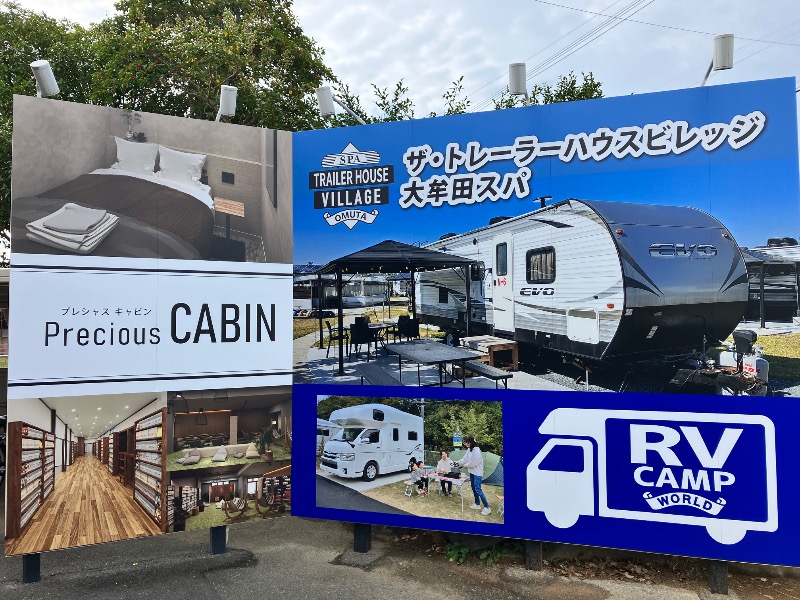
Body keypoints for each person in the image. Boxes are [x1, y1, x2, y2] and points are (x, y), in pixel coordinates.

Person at [457, 436, 491, 516]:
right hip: (472, 472)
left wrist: (465, 465)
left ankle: (487, 507)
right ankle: (477, 504)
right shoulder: (469, 450)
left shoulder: (477, 451)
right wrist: (458, 462)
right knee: (473, 488)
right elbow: (464, 459)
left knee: (478, 489)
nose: (465, 444)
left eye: (467, 442)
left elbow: (473, 463)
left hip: (477, 473)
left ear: (471, 443)